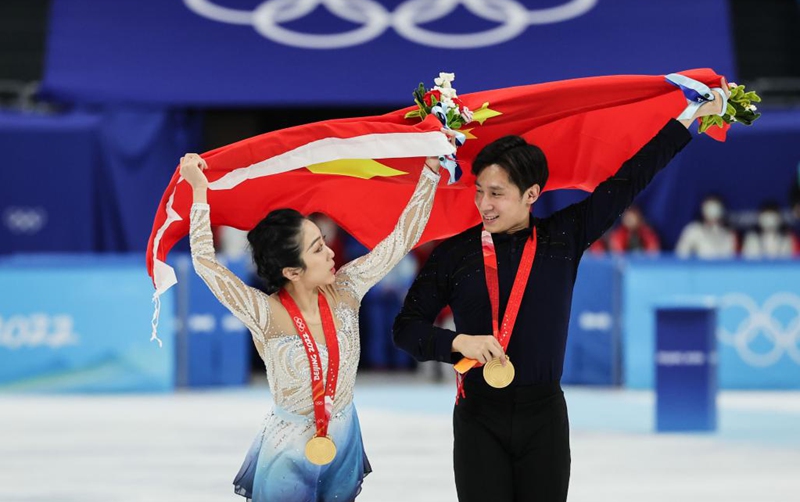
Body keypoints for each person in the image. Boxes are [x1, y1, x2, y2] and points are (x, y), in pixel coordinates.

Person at [392, 88, 729, 502]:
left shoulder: (563, 238)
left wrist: (688, 117)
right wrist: (458, 342)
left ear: (531, 194)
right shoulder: (455, 254)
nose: (483, 204)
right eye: (479, 191)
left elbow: (630, 179)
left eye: (496, 193)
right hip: (479, 417)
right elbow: (405, 329)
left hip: (544, 419)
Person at [179, 130, 453, 502]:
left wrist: (431, 169)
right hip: (288, 447)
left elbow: (401, 239)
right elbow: (205, 264)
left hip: (344, 436)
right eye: (317, 249)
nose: (331, 254)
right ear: (292, 271)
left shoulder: (347, 289)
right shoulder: (266, 313)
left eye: (324, 243)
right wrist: (199, 192)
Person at [675, 194, 738, 259]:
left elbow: (732, 258)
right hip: (699, 265)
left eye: (716, 209)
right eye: (709, 209)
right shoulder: (693, 230)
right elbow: (680, 256)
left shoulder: (729, 234)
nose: (713, 213)